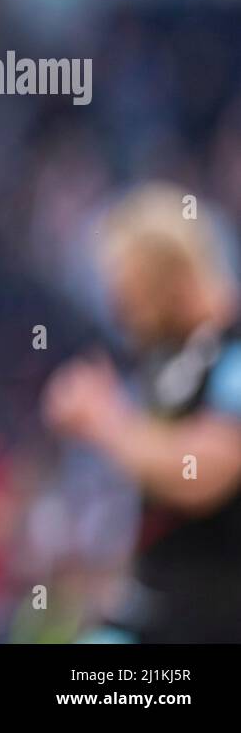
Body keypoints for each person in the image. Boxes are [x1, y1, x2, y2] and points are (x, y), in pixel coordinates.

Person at [42, 182, 241, 641]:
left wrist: (106, 421)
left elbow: (205, 472)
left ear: (168, 273)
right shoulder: (176, 361)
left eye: (126, 290)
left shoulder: (231, 351)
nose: (117, 309)